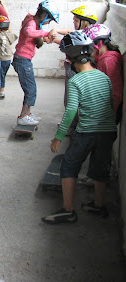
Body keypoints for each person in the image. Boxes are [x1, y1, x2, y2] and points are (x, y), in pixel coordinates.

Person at [42, 31, 117, 224]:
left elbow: (71, 112)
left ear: (69, 58)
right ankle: (98, 206)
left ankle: (68, 210)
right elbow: (110, 104)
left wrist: (58, 136)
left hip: (86, 133)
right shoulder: (104, 77)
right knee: (101, 169)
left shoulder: (76, 81)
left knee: (69, 166)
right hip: (108, 132)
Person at [12, 1, 63, 126]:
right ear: (44, 15)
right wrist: (46, 33)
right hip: (22, 60)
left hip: (24, 60)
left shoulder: (33, 21)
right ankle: (23, 116)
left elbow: (36, 37)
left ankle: (27, 114)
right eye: (48, 20)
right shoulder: (31, 22)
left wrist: (48, 37)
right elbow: (29, 32)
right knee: (31, 89)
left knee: (30, 89)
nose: (48, 23)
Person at [84, 24, 123, 123]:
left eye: (89, 46)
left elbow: (116, 92)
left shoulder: (109, 61)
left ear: (99, 44)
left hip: (105, 116)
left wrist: (106, 117)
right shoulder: (101, 59)